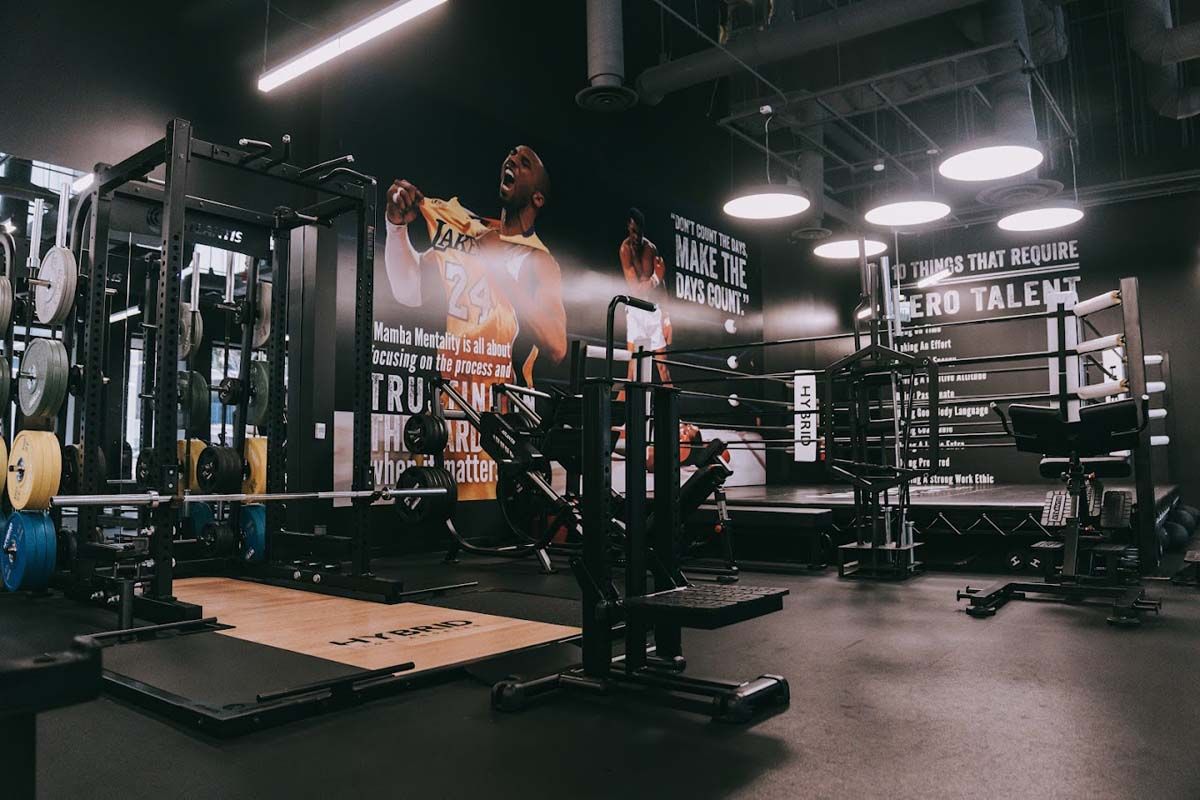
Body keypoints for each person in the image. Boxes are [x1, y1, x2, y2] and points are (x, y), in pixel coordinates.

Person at [383, 145, 567, 498]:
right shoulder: (470, 231)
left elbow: (557, 345)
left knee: (488, 520)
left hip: (500, 420)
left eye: (524, 163)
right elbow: (409, 291)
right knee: (435, 508)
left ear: (538, 198)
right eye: (511, 156)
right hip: (449, 409)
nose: (511, 160)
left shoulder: (539, 260)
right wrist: (396, 228)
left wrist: (499, 268)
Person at [618, 207, 671, 385]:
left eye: (639, 232)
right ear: (628, 228)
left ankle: (673, 404)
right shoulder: (625, 250)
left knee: (663, 368)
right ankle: (620, 405)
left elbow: (662, 285)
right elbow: (636, 290)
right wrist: (655, 278)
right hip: (635, 309)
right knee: (632, 370)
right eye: (633, 231)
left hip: (653, 310)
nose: (636, 236)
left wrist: (667, 319)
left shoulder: (651, 249)